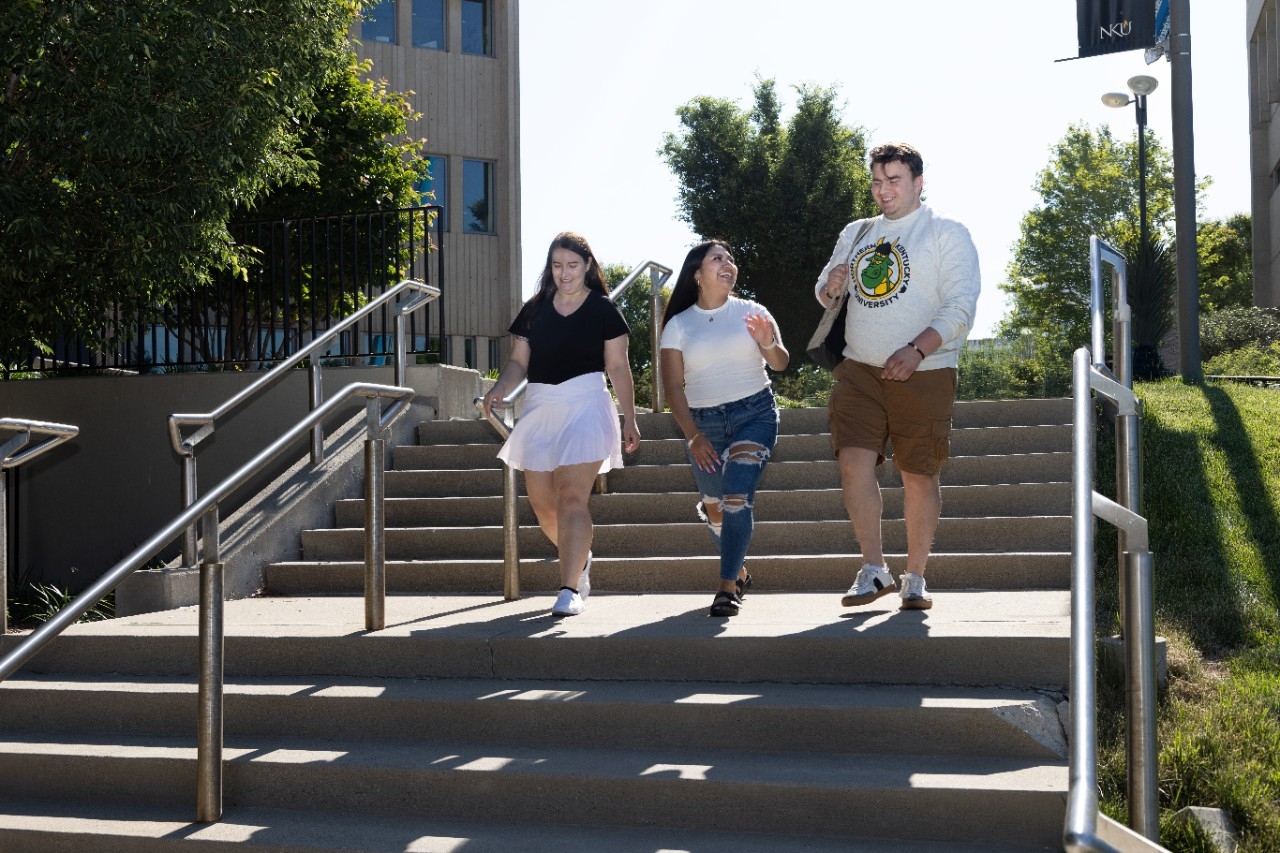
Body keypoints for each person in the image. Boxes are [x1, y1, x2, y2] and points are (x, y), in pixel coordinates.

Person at [814, 142, 980, 611]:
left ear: (918, 182)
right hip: (859, 369)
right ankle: (874, 570)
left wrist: (916, 348)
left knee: (918, 474)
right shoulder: (857, 231)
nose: (883, 190)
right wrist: (830, 287)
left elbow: (961, 306)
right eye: (877, 181)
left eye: (894, 181)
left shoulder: (946, 232)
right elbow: (826, 290)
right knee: (852, 462)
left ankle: (915, 577)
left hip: (925, 370)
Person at [481, 232, 641, 616]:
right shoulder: (535, 308)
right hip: (539, 406)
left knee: (571, 496)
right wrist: (499, 390)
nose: (564, 273)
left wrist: (630, 418)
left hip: (586, 403)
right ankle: (581, 557)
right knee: (543, 507)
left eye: (572, 265)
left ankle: (569, 588)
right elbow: (519, 362)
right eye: (557, 265)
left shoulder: (604, 309)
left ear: (587, 265)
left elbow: (618, 366)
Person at [660, 240, 789, 617]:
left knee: (737, 497)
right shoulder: (679, 325)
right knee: (716, 509)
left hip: (756, 414)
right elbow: (672, 388)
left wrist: (768, 343)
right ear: (697, 274)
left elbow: (780, 362)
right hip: (704, 425)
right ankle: (740, 570)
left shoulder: (753, 312)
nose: (727, 263)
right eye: (717, 259)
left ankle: (725, 587)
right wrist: (694, 435)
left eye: (731, 258)